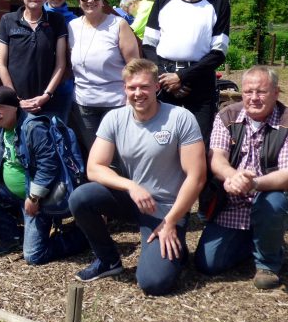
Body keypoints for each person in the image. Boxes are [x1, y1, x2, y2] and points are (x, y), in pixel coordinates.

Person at [68, 59, 206, 295]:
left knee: (153, 283)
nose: (138, 93)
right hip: (133, 198)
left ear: (156, 88)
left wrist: (171, 221)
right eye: (132, 88)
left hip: (166, 207)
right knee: (81, 197)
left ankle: (176, 247)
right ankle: (108, 261)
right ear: (125, 89)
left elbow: (197, 177)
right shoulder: (115, 118)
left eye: (144, 87)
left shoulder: (180, 118)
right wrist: (130, 186)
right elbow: (94, 167)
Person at [194, 66, 288, 290]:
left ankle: (267, 265)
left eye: (261, 92)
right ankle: (261, 239)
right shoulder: (226, 116)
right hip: (233, 202)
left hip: (271, 198)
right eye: (248, 92)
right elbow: (217, 157)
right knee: (207, 264)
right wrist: (233, 176)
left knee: (272, 202)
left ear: (276, 93)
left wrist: (253, 184)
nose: (254, 98)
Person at [0, 86, 88, 264]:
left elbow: (48, 165)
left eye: (0, 107)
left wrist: (34, 197)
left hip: (38, 198)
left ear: (15, 107)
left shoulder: (34, 128)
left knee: (34, 256)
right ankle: (13, 237)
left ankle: (82, 236)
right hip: (14, 193)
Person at [142, 0, 231, 145]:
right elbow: (148, 45)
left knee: (198, 142)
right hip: (164, 81)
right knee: (161, 141)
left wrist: (181, 77)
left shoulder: (218, 2)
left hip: (200, 81)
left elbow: (219, 52)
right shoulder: (163, 1)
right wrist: (167, 77)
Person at [68, 0, 140, 157]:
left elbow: (134, 66)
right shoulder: (72, 27)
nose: (91, 0)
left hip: (116, 104)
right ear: (78, 0)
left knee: (118, 156)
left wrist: (132, 99)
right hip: (84, 105)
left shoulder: (118, 25)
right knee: (95, 157)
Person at [0, 0, 68, 118]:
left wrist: (47, 95)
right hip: (14, 104)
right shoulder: (7, 20)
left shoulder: (57, 21)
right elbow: (0, 64)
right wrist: (15, 98)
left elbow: (61, 63)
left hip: (48, 104)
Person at [43, 0, 77, 123]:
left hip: (63, 85)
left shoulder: (74, 21)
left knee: (59, 131)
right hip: (37, 84)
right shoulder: (36, 14)